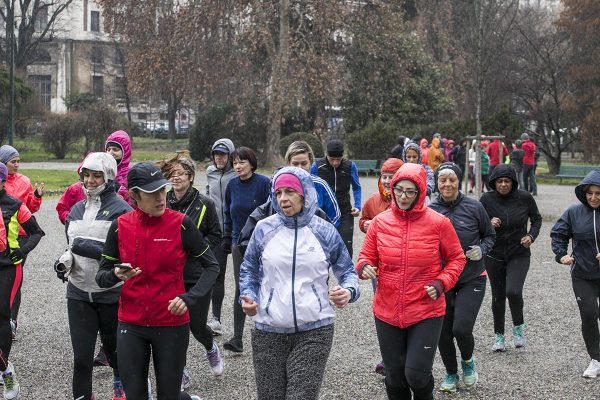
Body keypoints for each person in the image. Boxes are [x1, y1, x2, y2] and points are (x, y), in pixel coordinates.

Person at [96, 162, 219, 399]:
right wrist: (115, 275)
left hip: (171, 323)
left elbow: (211, 266)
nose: (161, 197)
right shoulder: (119, 226)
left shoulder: (181, 223)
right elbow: (101, 277)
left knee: (168, 396)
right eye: (152, 193)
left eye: (162, 190)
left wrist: (189, 298)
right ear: (134, 195)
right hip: (131, 324)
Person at [239, 167, 360, 400]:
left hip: (315, 330)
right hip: (268, 331)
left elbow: (348, 272)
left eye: (289, 192)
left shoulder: (324, 231)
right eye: (278, 193)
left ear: (304, 194)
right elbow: (249, 270)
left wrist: (348, 291)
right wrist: (247, 295)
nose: (283, 198)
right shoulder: (264, 229)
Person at [357, 163, 466, 400]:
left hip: (426, 308)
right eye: (398, 190)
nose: (403, 196)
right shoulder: (379, 222)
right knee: (394, 378)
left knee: (416, 375)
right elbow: (366, 256)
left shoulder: (438, 223)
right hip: (387, 309)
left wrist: (442, 282)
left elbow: (457, 258)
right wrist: (364, 267)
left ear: (421, 193)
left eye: (410, 191)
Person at [61, 153, 132, 400]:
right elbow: (71, 247)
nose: (90, 181)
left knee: (115, 356)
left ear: (109, 176)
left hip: (110, 294)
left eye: (96, 175)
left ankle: (121, 386)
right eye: (86, 175)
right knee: (82, 360)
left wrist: (86, 247)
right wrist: (65, 262)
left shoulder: (122, 210)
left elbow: (126, 256)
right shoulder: (76, 209)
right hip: (78, 292)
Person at [158, 152, 225, 389]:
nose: (175, 178)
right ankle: (180, 371)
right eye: (172, 174)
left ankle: (210, 347)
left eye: (180, 174)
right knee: (176, 328)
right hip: (170, 275)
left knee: (196, 326)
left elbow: (216, 235)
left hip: (196, 275)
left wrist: (197, 251)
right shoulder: (163, 200)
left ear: (190, 176)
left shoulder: (204, 203)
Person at [429, 163, 496, 392]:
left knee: (461, 328)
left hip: (472, 277)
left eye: (452, 180)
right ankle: (450, 373)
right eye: (443, 180)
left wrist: (481, 249)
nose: (447, 184)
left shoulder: (474, 207)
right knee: (443, 332)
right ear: (436, 183)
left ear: (459, 181)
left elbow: (490, 236)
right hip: (442, 279)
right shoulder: (430, 210)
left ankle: (467, 361)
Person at [480, 164, 542, 351]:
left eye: (507, 181)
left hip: (518, 253)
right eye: (499, 181)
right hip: (494, 254)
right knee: (498, 296)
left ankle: (518, 328)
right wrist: (489, 223)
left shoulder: (524, 197)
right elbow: (478, 223)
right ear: (494, 182)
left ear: (513, 182)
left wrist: (531, 236)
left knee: (513, 291)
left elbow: (537, 219)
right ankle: (499, 336)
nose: (503, 185)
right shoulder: (486, 199)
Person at [0, 162, 45, 399]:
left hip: (8, 267)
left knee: (2, 316)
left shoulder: (15, 205)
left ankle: (6, 372)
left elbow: (37, 232)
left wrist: (22, 250)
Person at [551, 169, 600, 378]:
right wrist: (561, 255)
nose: (594, 197)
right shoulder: (573, 212)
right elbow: (558, 233)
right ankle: (596, 359)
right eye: (590, 193)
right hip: (582, 273)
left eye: (598, 193)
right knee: (589, 315)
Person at [359, 157, 404, 376]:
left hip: (403, 264)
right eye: (384, 177)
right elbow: (363, 219)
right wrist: (365, 224)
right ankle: (389, 358)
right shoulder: (373, 201)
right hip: (379, 265)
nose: (387, 181)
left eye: (391, 177)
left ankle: (404, 354)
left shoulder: (405, 200)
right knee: (384, 309)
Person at [223, 147, 271, 353]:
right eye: (234, 163)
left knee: (269, 285)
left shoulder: (263, 183)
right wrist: (227, 237)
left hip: (263, 242)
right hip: (238, 242)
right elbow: (227, 212)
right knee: (242, 287)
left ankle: (271, 332)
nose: (238, 166)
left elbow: (271, 210)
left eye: (242, 162)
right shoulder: (231, 185)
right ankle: (237, 338)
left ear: (251, 163)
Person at [0, 144, 44, 340]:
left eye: (18, 161)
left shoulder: (24, 180)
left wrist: (36, 197)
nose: (17, 165)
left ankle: (11, 321)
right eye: (13, 162)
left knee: (12, 281)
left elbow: (29, 208)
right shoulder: (2, 181)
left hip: (21, 235)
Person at [205, 138, 236, 336]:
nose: (219, 157)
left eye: (223, 154)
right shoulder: (209, 172)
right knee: (217, 275)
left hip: (237, 230)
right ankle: (215, 318)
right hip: (217, 232)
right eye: (217, 154)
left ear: (230, 156)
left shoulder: (237, 172)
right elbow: (208, 198)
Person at [311, 139, 361, 257]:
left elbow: (357, 187)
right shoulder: (317, 166)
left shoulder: (350, 166)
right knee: (322, 249)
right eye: (332, 159)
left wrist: (358, 206)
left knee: (346, 249)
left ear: (342, 156)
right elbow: (310, 188)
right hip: (324, 214)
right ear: (326, 155)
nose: (335, 163)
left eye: (338, 159)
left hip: (345, 213)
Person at [286, 141, 340, 226]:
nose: (300, 168)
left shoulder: (321, 185)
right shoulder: (279, 187)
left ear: (310, 162)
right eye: (295, 164)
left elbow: (335, 216)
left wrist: (322, 234)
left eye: (304, 163)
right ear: (289, 163)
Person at [105, 130, 133, 205]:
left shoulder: (131, 173)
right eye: (108, 149)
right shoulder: (104, 169)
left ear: (125, 151)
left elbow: (134, 199)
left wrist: (118, 188)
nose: (111, 152)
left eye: (115, 149)